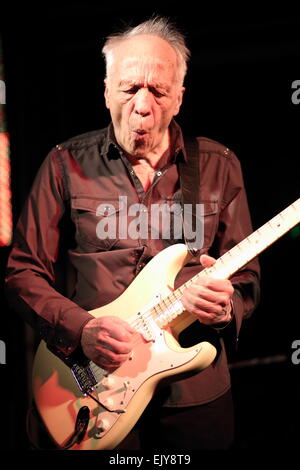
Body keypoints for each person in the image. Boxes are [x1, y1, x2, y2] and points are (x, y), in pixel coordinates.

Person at [5, 16, 260, 450]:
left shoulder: (220, 165)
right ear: (106, 92)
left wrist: (226, 307)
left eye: (158, 91)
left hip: (194, 397)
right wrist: (81, 330)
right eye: (128, 89)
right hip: (92, 385)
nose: (142, 105)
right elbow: (23, 273)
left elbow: (245, 277)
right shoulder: (64, 163)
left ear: (179, 97)